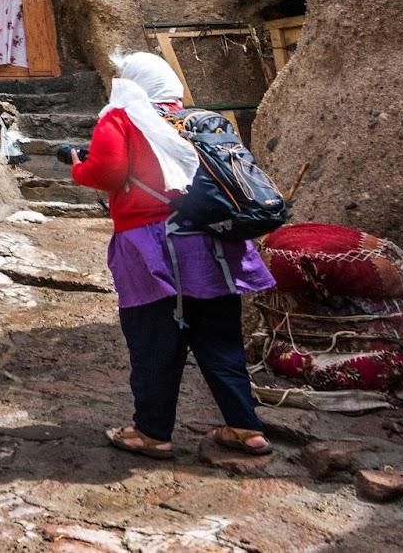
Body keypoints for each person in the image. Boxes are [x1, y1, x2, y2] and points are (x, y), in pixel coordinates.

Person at [69, 51, 276, 459]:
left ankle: (151, 432)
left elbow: (108, 172)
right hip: (214, 245)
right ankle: (245, 427)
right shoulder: (200, 120)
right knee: (220, 338)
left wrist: (78, 168)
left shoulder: (122, 117)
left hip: (152, 249)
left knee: (154, 340)